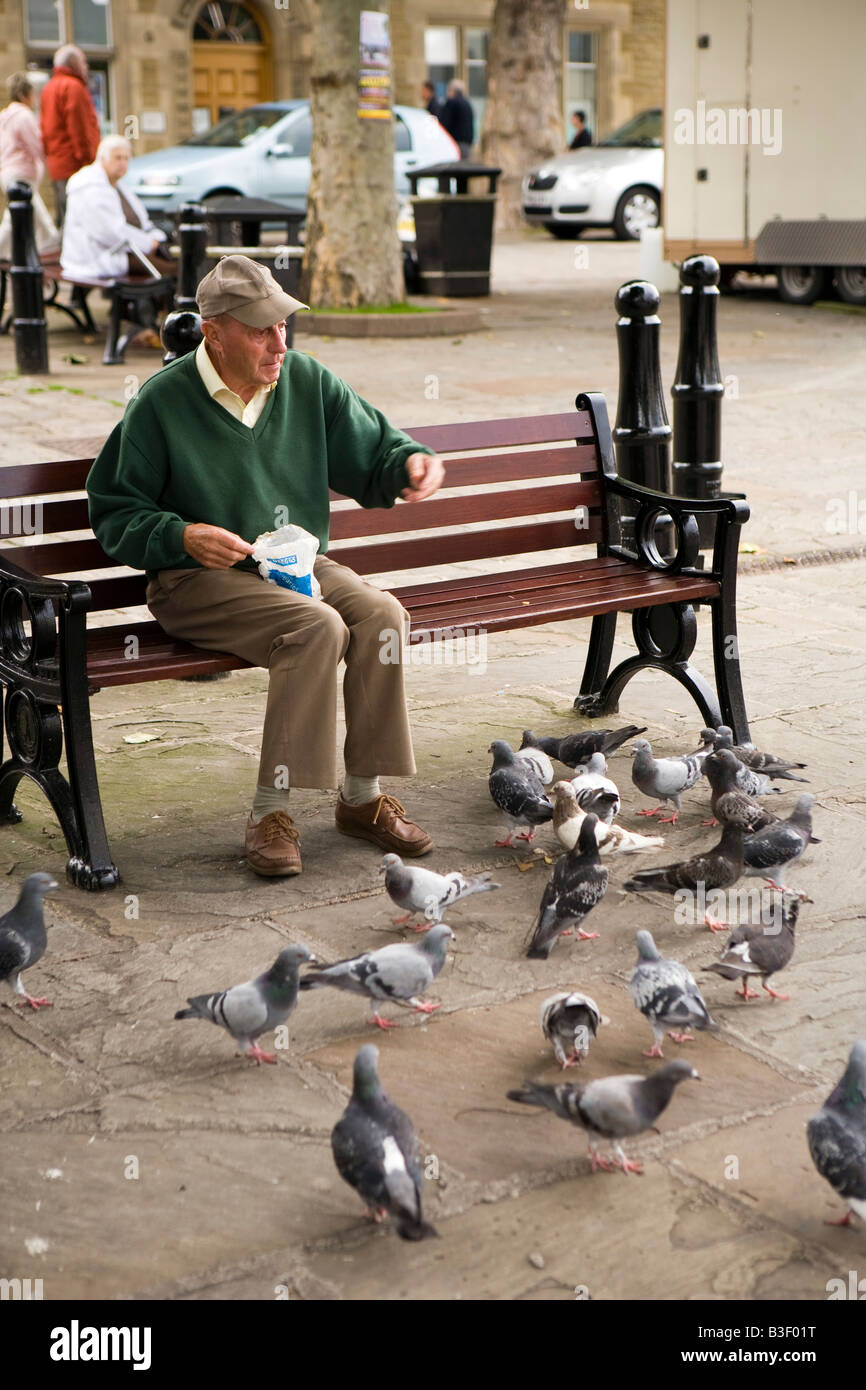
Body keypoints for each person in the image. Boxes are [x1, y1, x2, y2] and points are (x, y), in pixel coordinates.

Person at [86, 255, 446, 879]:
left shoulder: (305, 382)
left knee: (383, 615)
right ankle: (269, 812)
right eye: (260, 330)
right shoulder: (163, 402)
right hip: (193, 581)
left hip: (291, 566)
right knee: (317, 628)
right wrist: (182, 535)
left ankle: (361, 798)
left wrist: (409, 464)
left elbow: (376, 451)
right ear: (213, 331)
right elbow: (114, 510)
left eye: (283, 325)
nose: (279, 342)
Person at [61, 134, 173, 281]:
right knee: (171, 271)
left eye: (126, 158)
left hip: (120, 252)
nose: (123, 163)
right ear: (102, 159)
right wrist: (148, 243)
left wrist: (153, 237)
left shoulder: (117, 185)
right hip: (96, 259)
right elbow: (110, 233)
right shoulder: (91, 187)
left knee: (173, 259)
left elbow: (142, 221)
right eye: (117, 158)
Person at [0, 73, 60, 260]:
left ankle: (38, 251)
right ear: (24, 95)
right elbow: (35, 145)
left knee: (20, 216)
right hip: (21, 174)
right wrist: (50, 158)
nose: (35, 99)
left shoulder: (4, 116)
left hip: (8, 172)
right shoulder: (24, 115)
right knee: (29, 218)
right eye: (33, 94)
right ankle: (48, 250)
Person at [39, 44, 100, 228]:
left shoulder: (49, 88)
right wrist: (89, 162)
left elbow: (45, 127)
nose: (86, 66)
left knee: (65, 218)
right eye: (83, 61)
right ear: (73, 63)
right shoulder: (73, 87)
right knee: (79, 221)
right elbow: (80, 129)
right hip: (75, 165)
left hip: (58, 164)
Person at [439, 79, 474, 160]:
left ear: (452, 91)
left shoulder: (452, 103)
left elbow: (445, 123)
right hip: (467, 143)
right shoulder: (467, 103)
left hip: (455, 142)